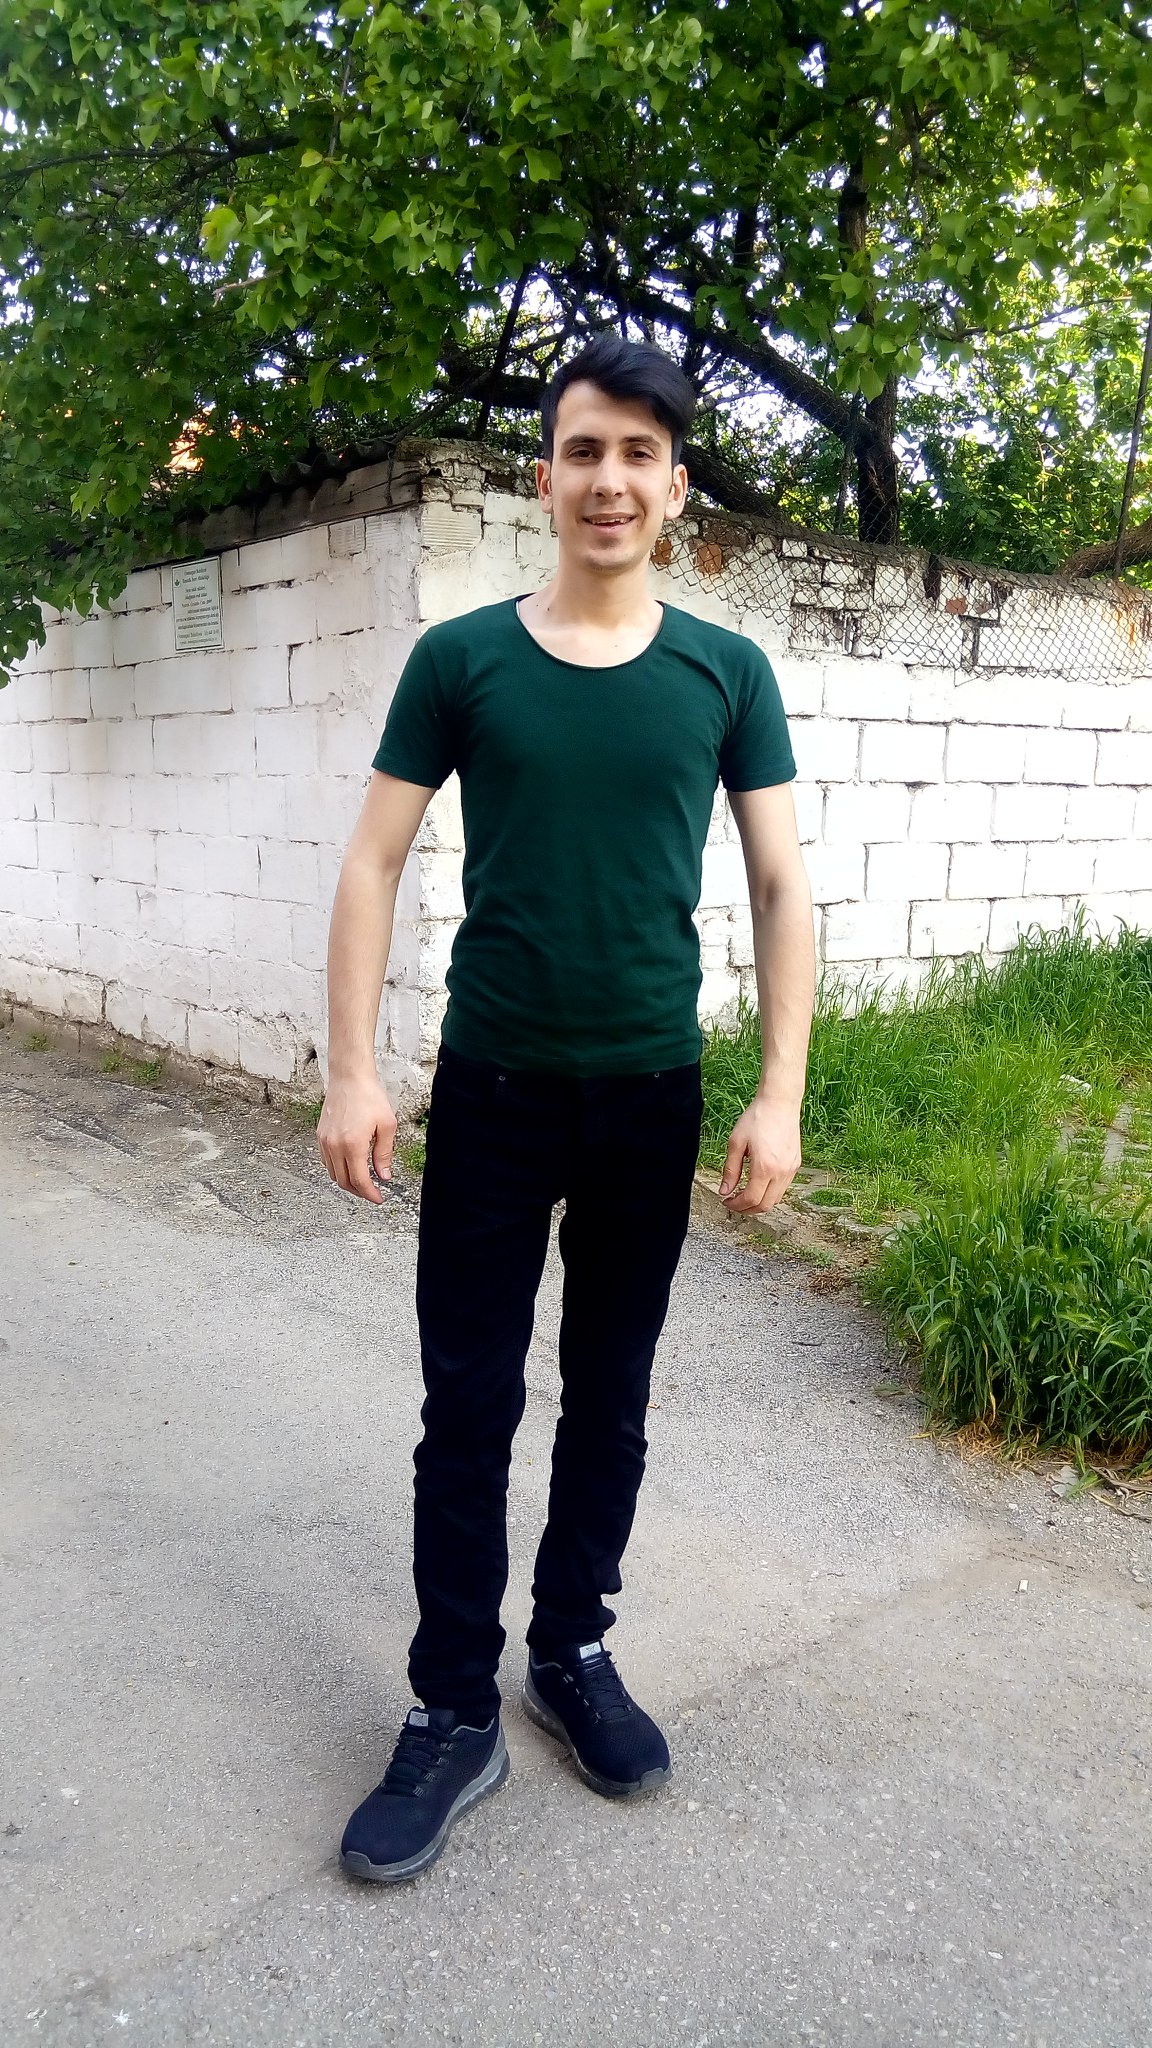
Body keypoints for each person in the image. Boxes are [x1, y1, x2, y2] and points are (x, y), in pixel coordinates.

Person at [317, 334, 815, 1885]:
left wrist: (780, 1091)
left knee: (610, 1397)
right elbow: (372, 861)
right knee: (467, 1409)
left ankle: (571, 1650)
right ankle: (452, 1708)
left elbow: (782, 885)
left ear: (677, 486)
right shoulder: (462, 660)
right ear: (545, 477)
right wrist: (352, 1068)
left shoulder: (725, 673)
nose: (611, 479)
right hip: (494, 1092)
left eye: (639, 454)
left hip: (649, 1097)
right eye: (585, 449)